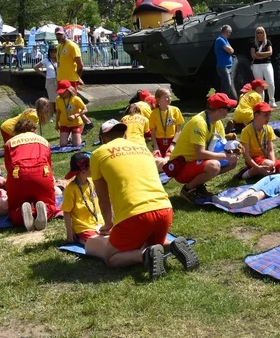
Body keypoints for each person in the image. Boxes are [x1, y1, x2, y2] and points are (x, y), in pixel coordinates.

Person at [84, 120, 200, 280]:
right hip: (164, 209)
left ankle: (147, 255)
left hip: (135, 215)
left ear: (102, 138)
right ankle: (173, 245)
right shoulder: (143, 149)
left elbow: (103, 198)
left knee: (110, 257)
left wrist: (108, 224)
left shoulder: (98, 153)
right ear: (125, 135)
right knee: (150, 242)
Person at [165, 92, 239, 201]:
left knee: (232, 163)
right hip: (181, 167)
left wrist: (233, 150)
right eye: (228, 108)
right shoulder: (199, 123)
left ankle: (198, 185)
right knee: (214, 166)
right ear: (220, 110)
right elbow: (200, 153)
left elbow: (221, 144)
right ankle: (187, 190)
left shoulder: (216, 122)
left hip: (196, 162)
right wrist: (225, 156)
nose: (229, 111)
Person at [3, 119, 56, 231]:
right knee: (49, 202)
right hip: (42, 173)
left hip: (19, 175)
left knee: (14, 206)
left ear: (16, 131)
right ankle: (45, 210)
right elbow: (49, 163)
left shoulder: (10, 142)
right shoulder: (44, 141)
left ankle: (21, 214)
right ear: (34, 129)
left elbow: (9, 167)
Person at [211, 169, 280, 210]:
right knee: (253, 188)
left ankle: (243, 202)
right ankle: (235, 199)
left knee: (264, 191)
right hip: (275, 176)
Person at [62, 152, 104, 246]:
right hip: (83, 227)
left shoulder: (92, 182)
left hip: (100, 223)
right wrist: (69, 232)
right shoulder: (71, 189)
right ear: (83, 172)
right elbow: (67, 212)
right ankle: (80, 239)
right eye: (92, 167)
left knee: (115, 238)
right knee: (100, 244)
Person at [239, 102, 280, 179]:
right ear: (256, 116)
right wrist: (257, 167)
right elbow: (246, 155)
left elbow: (270, 150)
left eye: (269, 115)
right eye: (265, 115)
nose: (268, 118)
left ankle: (259, 171)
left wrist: (273, 165)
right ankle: (246, 174)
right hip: (254, 159)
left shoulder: (269, 128)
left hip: (266, 158)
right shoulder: (246, 131)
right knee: (269, 165)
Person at [149, 87, 185, 158]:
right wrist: (156, 147)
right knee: (156, 159)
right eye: (166, 97)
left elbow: (178, 131)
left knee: (168, 158)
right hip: (159, 143)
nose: (169, 98)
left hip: (172, 141)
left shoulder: (175, 110)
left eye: (170, 96)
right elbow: (152, 132)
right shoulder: (154, 113)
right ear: (158, 100)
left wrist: (173, 144)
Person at [250, 26, 276, 107]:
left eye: (261, 32)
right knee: (259, 84)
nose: (260, 34)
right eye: (258, 32)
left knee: (270, 83)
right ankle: (261, 102)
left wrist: (259, 54)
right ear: (256, 34)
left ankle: (271, 100)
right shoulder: (253, 43)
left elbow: (270, 52)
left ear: (264, 33)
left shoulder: (267, 42)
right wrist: (264, 55)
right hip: (257, 65)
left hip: (267, 64)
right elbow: (253, 55)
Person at [55, 79, 86, 147]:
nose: (61, 93)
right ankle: (68, 137)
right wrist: (57, 124)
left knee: (77, 144)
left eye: (63, 91)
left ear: (69, 90)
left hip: (76, 124)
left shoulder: (76, 99)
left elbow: (85, 109)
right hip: (64, 124)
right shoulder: (58, 100)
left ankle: (75, 137)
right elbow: (58, 112)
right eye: (60, 92)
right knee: (63, 144)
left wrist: (76, 115)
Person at [215, 25, 237, 100]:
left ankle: (224, 102)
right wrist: (231, 50)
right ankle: (227, 103)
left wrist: (231, 50)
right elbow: (231, 50)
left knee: (225, 86)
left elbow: (232, 50)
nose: (230, 34)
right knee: (228, 85)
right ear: (227, 32)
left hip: (228, 66)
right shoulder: (220, 40)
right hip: (223, 66)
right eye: (230, 32)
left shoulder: (225, 40)